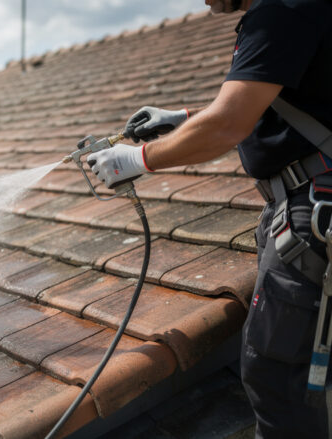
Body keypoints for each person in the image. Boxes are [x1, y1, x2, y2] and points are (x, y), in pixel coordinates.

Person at [88, 0, 332, 437]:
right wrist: (183, 119)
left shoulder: (282, 9)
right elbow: (262, 102)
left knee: (278, 377)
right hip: (301, 202)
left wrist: (136, 159)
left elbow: (229, 124)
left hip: (312, 207)